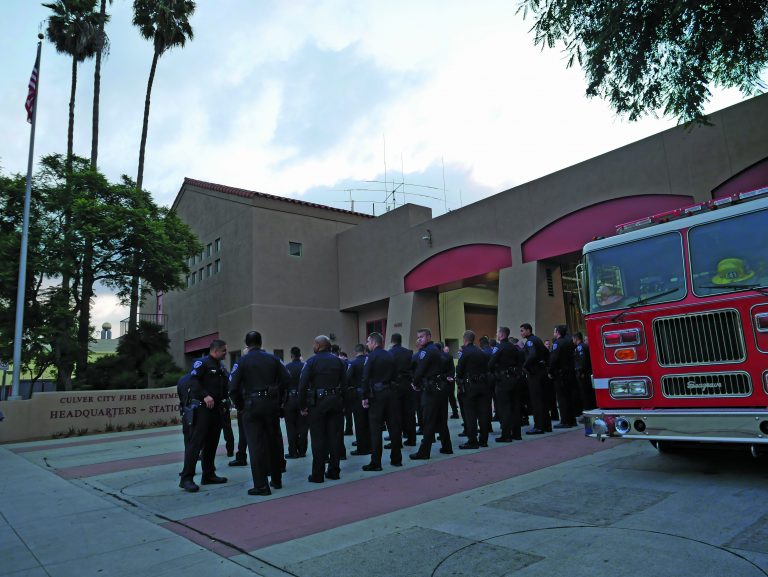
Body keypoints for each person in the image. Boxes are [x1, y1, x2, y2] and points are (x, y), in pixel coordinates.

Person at [229, 331, 290, 496]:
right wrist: (278, 397)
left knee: (255, 446)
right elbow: (287, 379)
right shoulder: (273, 359)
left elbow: (233, 388)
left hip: (251, 405)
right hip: (270, 404)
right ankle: (276, 479)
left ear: (247, 344)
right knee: (275, 442)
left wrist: (241, 406)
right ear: (261, 342)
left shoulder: (242, 361)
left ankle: (261, 485)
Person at [179, 339, 229, 493]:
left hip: (216, 411)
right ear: (215, 351)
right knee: (196, 444)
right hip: (202, 410)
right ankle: (186, 478)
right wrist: (205, 395)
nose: (226, 353)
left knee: (212, 443)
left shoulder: (220, 367)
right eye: (224, 351)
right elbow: (193, 381)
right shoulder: (202, 363)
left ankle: (208, 474)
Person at [300, 335, 347, 483]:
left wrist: (302, 406)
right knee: (334, 437)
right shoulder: (338, 361)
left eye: (314, 344)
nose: (313, 346)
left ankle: (318, 474)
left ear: (319, 345)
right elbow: (345, 385)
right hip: (335, 401)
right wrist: (343, 404)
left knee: (318, 439)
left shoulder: (311, 362)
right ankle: (334, 471)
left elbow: (302, 385)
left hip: (318, 403)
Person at [410, 328, 453, 459]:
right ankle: (447, 447)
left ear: (429, 337)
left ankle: (424, 452)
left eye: (422, 336)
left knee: (428, 420)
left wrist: (415, 384)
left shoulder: (425, 351)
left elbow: (420, 371)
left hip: (430, 390)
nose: (419, 339)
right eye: (418, 337)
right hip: (440, 388)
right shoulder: (437, 350)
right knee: (441, 419)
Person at [361, 332, 400, 471]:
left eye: (368, 341)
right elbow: (396, 375)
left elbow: (365, 377)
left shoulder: (371, 357)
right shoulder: (390, 355)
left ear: (373, 342)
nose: (367, 344)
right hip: (391, 393)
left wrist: (364, 396)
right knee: (393, 426)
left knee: (376, 429)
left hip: (377, 396)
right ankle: (397, 459)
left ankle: (376, 462)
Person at [455, 330, 491, 449]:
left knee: (470, 415)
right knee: (483, 414)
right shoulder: (481, 352)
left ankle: (472, 441)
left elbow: (459, 371)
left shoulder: (465, 353)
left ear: (465, 339)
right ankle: (484, 440)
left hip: (470, 387)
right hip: (483, 386)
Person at [488, 326, 524, 442]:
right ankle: (517, 434)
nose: (496, 334)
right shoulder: (514, 348)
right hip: (515, 379)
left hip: (503, 380)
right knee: (515, 407)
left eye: (497, 332)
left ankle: (506, 435)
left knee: (504, 408)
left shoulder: (499, 347)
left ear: (502, 335)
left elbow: (490, 363)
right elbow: (520, 362)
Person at [519, 324, 551, 435]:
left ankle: (538, 427)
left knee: (536, 401)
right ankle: (547, 425)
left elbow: (532, 355)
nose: (521, 333)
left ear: (528, 330)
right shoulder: (537, 339)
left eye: (522, 331)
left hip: (534, 374)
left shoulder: (530, 341)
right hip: (541, 372)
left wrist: (525, 366)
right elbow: (547, 353)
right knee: (543, 400)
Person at [549, 324, 578, 428]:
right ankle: (572, 420)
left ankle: (565, 421)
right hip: (570, 372)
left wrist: (550, 371)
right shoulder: (569, 342)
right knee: (569, 397)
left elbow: (554, 359)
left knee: (562, 398)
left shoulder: (557, 343)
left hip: (560, 374)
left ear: (558, 332)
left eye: (554, 331)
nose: (553, 333)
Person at [389, 333, 416, 447]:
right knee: (409, 413)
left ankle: (397, 442)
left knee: (396, 415)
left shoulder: (390, 353)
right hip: (408, 385)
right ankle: (411, 439)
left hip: (396, 385)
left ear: (392, 341)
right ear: (400, 341)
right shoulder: (409, 353)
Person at [284, 346, 308, 459]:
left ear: (291, 355)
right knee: (303, 426)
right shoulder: (305, 366)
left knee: (291, 427)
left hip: (290, 399)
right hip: (303, 398)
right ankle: (302, 450)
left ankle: (293, 451)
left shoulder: (287, 367)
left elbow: (282, 385)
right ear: (300, 355)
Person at [347, 344, 371, 456]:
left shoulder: (353, 363)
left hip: (357, 394)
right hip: (371, 392)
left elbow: (347, 378)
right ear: (365, 350)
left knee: (359, 422)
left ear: (356, 351)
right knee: (369, 421)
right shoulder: (370, 360)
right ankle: (371, 444)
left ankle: (362, 447)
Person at [572, 331, 595, 414]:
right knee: (589, 393)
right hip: (588, 372)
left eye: (573, 339)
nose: (572, 340)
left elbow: (582, 361)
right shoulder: (585, 346)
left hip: (584, 374)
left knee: (585, 394)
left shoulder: (580, 347)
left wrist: (581, 372)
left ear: (576, 338)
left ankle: (588, 411)